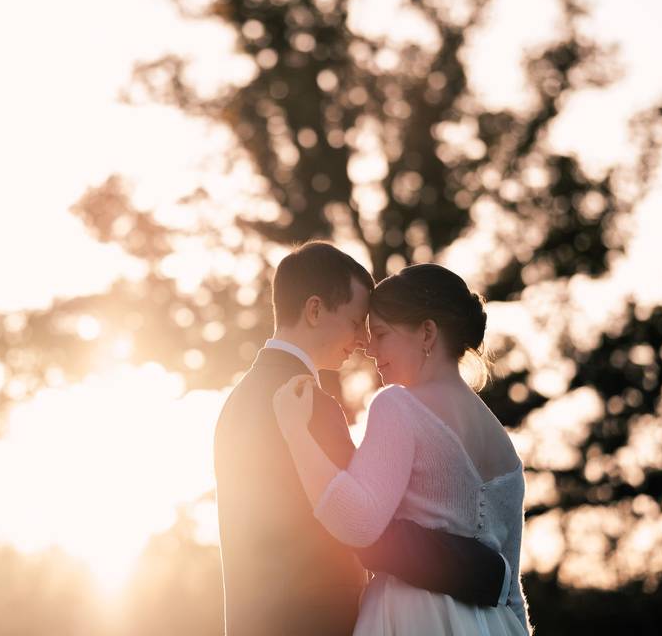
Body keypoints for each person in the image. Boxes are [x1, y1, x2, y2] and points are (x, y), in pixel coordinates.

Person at [214, 242, 511, 636]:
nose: (361, 342)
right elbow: (367, 529)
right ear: (315, 309)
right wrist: (487, 571)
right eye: (356, 322)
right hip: (315, 624)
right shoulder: (308, 405)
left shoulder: (237, 403)